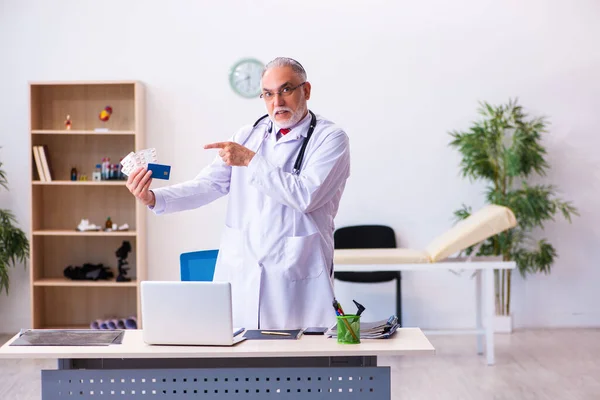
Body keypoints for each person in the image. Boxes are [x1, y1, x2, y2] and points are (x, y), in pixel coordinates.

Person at [126, 57, 350, 330]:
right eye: (268, 93)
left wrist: (250, 160)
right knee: (239, 360)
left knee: (297, 359)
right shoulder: (249, 134)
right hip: (242, 271)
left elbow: (306, 196)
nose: (276, 101)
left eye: (286, 90)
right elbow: (209, 185)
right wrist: (155, 198)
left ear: (307, 90)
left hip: (295, 275)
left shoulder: (330, 139)